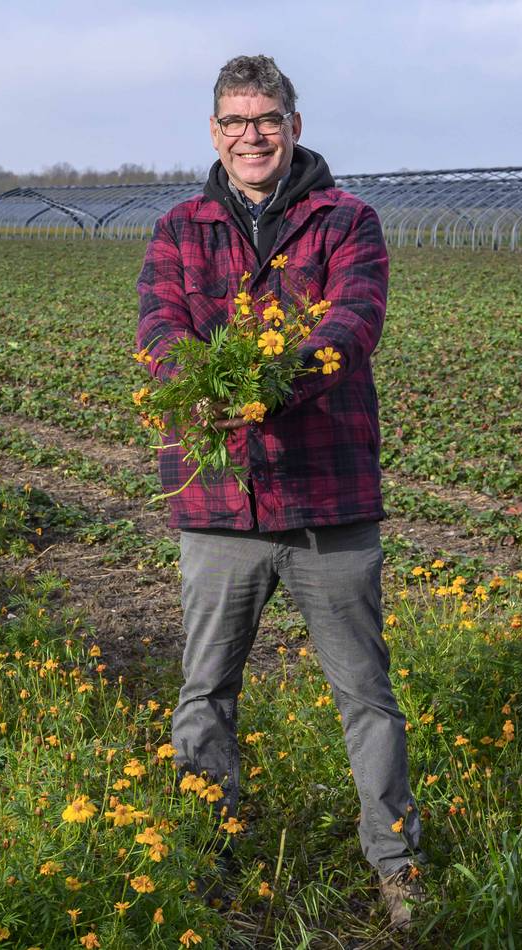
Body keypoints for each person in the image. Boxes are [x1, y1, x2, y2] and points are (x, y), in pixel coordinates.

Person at [136, 54, 426, 931]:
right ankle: (204, 859)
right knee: (205, 690)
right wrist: (203, 382)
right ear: (213, 132)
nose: (250, 135)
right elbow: (159, 326)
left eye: (266, 119)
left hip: (329, 499)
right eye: (234, 121)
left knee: (366, 695)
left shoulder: (348, 219)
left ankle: (398, 867)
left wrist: (274, 380)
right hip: (219, 502)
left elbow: (353, 321)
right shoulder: (180, 227)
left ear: (293, 126)